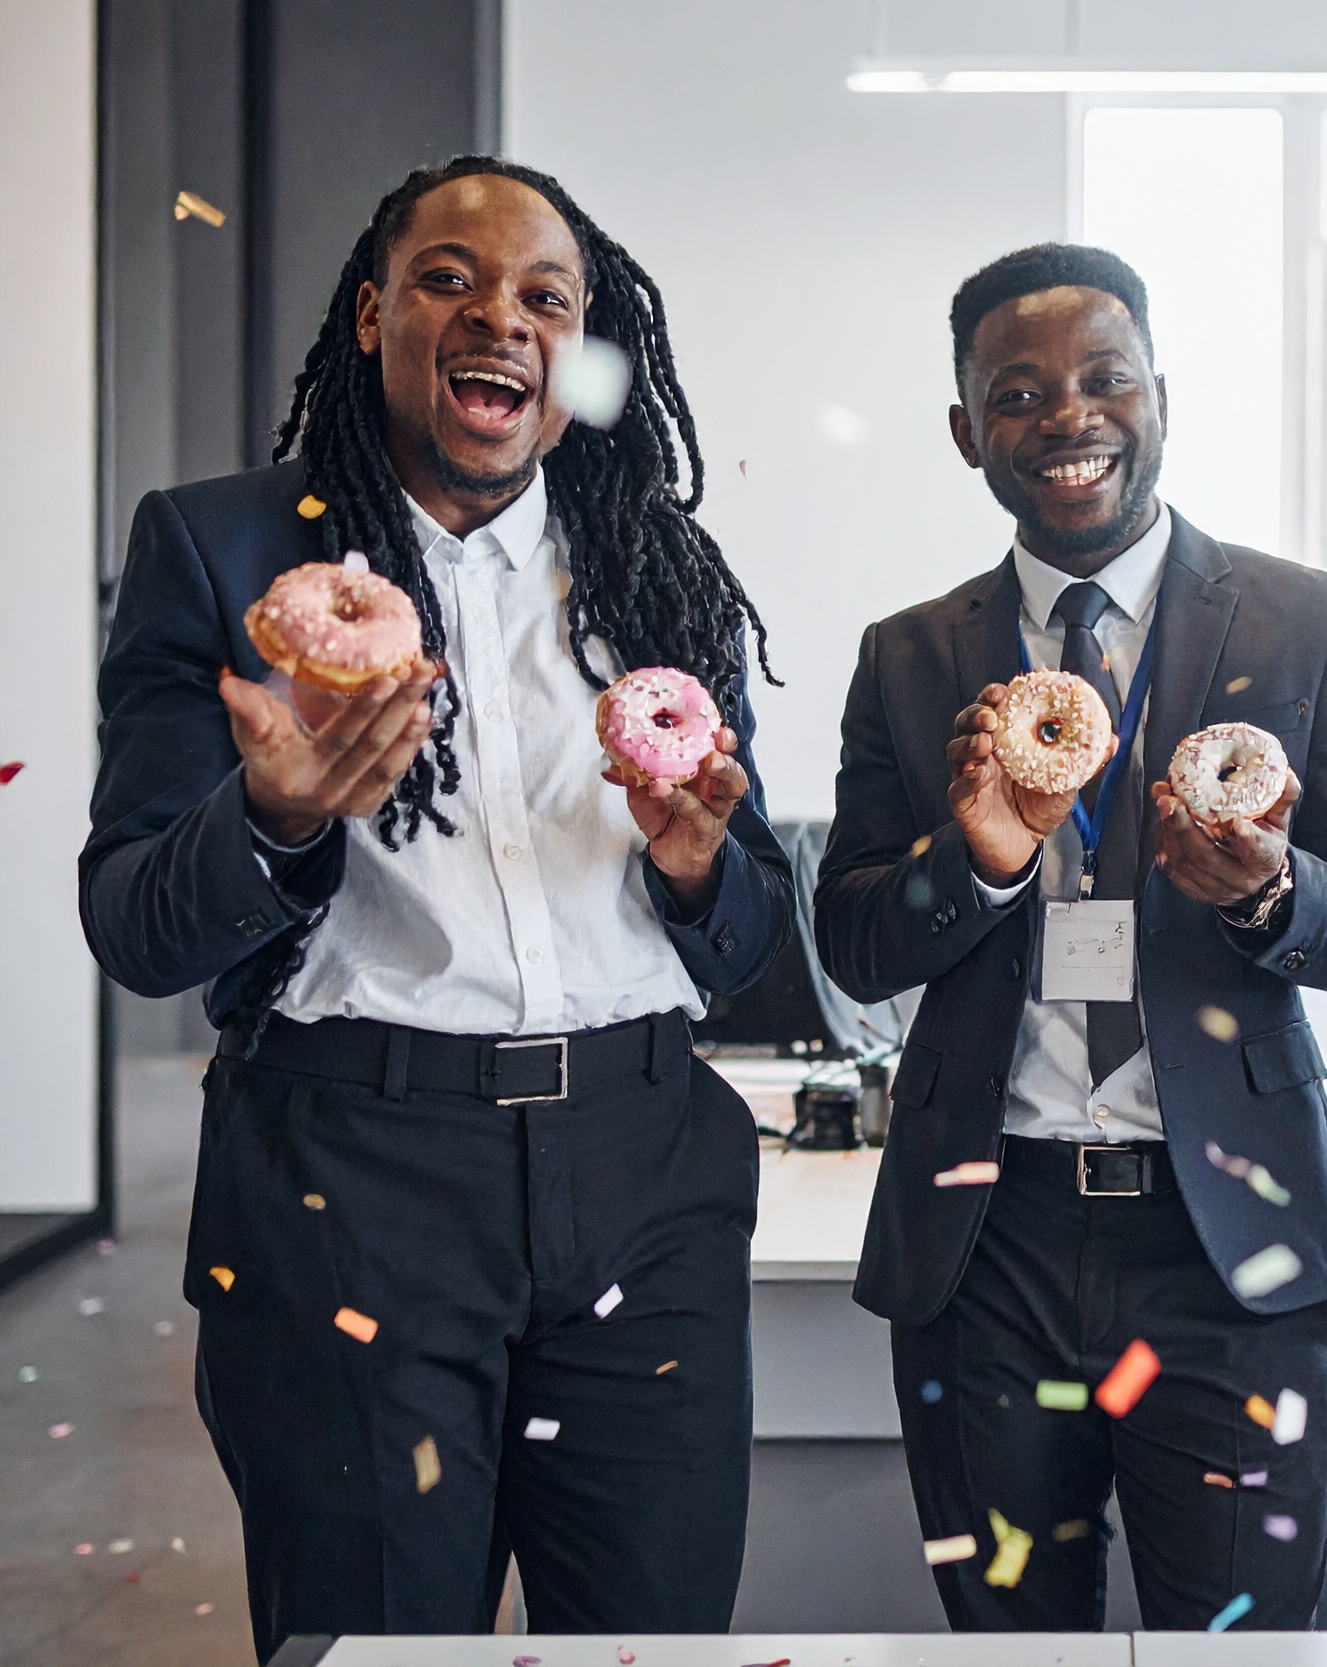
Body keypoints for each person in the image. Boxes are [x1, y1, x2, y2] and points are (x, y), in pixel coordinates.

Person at [79, 157, 794, 1658]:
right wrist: (278, 811)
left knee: (651, 1640)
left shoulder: (659, 575)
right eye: (452, 279)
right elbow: (138, 925)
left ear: (584, 355)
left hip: (641, 1171)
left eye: (549, 297)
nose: (504, 320)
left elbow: (746, 937)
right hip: (354, 1179)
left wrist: (695, 862)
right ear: (371, 314)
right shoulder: (221, 552)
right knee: (377, 1639)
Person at [814, 244, 1327, 1632]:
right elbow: (852, 944)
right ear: (967, 430)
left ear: (1162, 396)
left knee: (1241, 1647)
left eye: (1104, 379)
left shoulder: (1311, 623)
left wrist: (1272, 892)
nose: (1066, 417)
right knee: (1012, 1648)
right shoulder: (908, 658)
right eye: (1017, 393)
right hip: (989, 1238)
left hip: (1229, 1245)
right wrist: (974, 862)